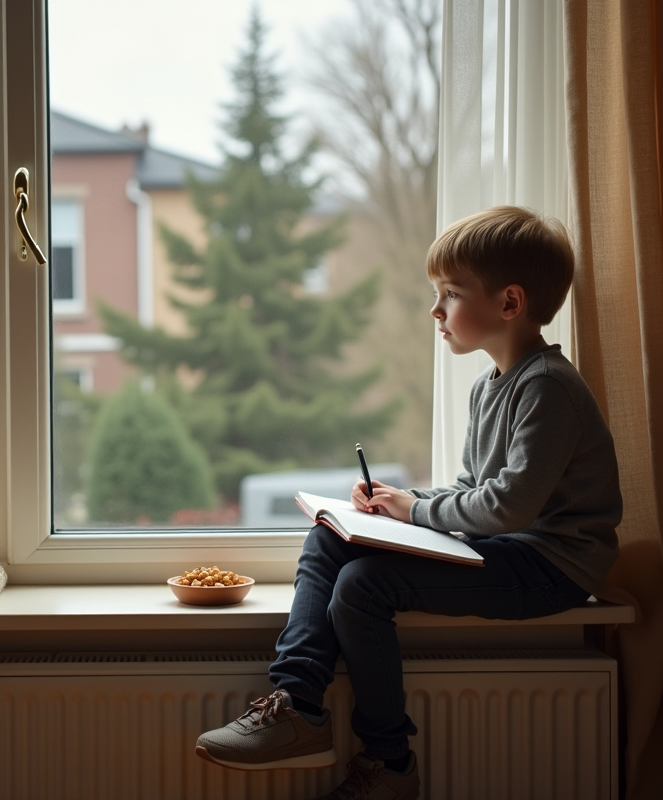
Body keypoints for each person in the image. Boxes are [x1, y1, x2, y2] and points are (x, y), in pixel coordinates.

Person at [194, 206, 623, 800]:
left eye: (450, 294)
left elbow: (507, 509)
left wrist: (415, 513)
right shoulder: (490, 385)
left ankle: (391, 764)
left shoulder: (547, 386)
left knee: (365, 585)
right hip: (506, 548)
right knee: (329, 535)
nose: (435, 310)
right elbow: (475, 487)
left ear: (509, 303)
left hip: (552, 567)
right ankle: (298, 706)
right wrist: (403, 501)